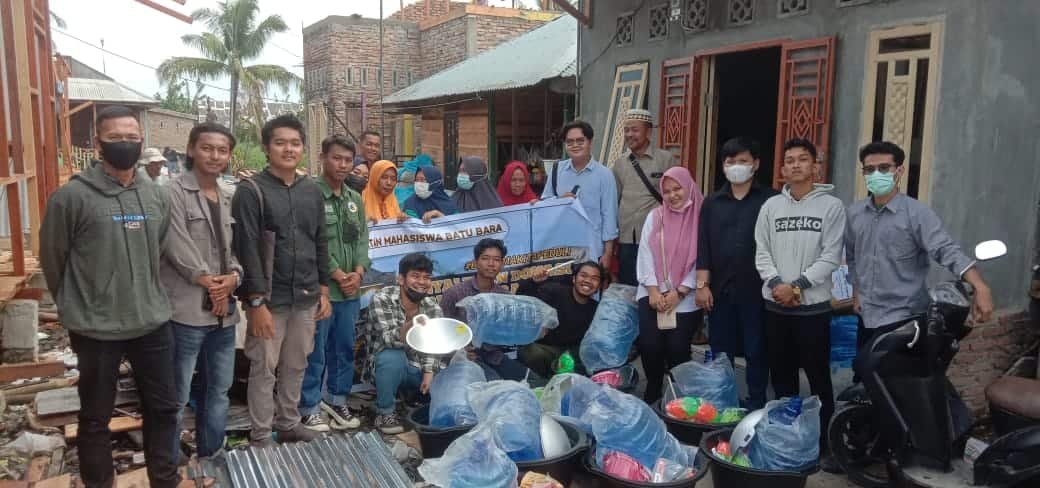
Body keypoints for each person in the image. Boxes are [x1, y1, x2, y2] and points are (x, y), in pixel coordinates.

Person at [40, 105, 182, 488]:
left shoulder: (155, 196)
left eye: (132, 137)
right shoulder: (71, 198)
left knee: (163, 409)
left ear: (142, 140)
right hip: (96, 327)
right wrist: (75, 305)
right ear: (98, 142)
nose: (125, 144)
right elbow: (53, 259)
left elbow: (157, 250)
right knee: (95, 417)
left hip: (150, 321)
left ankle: (164, 480)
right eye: (115, 137)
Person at [232, 114, 332, 447]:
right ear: (266, 147)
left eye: (295, 143)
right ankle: (261, 435)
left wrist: (323, 289)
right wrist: (255, 301)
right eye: (280, 143)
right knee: (264, 368)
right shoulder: (251, 191)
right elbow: (246, 248)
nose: (288, 149)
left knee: (296, 363)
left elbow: (320, 240)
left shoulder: (311, 191)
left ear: (303, 148)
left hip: (305, 296)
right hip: (268, 301)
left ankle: (289, 423)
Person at [846, 141, 994, 346]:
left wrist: (980, 286)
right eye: (870, 169)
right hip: (867, 315)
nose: (876, 174)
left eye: (884, 168)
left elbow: (945, 250)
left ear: (899, 171)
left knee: (898, 367)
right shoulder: (855, 214)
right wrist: (856, 293)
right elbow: (852, 257)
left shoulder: (917, 214)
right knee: (866, 365)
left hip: (905, 318)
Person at [754, 138, 845, 470]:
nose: (795, 165)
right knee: (782, 377)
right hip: (775, 307)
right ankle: (787, 441)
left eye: (802, 159)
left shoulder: (831, 207)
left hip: (812, 309)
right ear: (782, 169)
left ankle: (825, 445)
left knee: (818, 378)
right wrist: (778, 285)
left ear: (815, 166)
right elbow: (762, 252)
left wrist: (797, 286)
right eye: (789, 160)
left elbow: (831, 255)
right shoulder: (771, 207)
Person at [161, 123, 241, 464]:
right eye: (207, 148)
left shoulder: (229, 195)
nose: (214, 156)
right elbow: (176, 246)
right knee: (177, 394)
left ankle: (213, 452)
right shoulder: (172, 193)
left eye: (222, 150)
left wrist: (234, 277)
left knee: (219, 390)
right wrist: (210, 282)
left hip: (223, 316)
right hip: (186, 312)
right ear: (192, 149)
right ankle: (168, 462)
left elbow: (237, 248)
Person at [696, 137, 777, 409]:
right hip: (720, 289)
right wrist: (702, 286)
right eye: (731, 161)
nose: (737, 166)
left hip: (758, 289)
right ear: (723, 166)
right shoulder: (712, 202)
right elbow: (703, 245)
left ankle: (756, 402)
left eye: (743, 161)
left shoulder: (771, 200)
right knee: (721, 351)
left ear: (756, 164)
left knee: (756, 349)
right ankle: (723, 403)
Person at [299, 136, 370, 432]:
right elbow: (309, 241)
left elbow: (362, 239)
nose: (342, 165)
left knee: (344, 348)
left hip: (351, 291)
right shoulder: (309, 194)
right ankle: (309, 405)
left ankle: (336, 398)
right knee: (314, 350)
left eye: (348, 160)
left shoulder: (354, 199)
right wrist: (337, 274)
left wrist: (359, 272)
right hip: (322, 290)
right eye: (336, 158)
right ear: (322, 158)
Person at [635, 167, 704, 404]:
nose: (672, 195)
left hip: (686, 295)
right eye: (667, 191)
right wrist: (653, 290)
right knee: (650, 344)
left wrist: (681, 291)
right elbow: (645, 253)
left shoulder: (701, 218)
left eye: (678, 189)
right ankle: (654, 386)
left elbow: (703, 259)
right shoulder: (655, 216)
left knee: (677, 347)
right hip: (652, 290)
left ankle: (677, 394)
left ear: (689, 187)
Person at [439, 239, 543, 384]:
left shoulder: (504, 296)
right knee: (497, 387)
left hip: (495, 356)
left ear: (502, 264)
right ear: (476, 262)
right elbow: (441, 331)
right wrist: (456, 353)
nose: (491, 264)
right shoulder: (455, 293)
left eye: (496, 260)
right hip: (465, 359)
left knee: (534, 382)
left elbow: (511, 331)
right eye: (485, 258)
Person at [364, 253, 445, 434]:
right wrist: (412, 324)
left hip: (416, 367)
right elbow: (389, 339)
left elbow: (433, 345)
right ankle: (384, 412)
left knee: (449, 371)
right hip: (384, 367)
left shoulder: (432, 307)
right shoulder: (382, 298)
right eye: (415, 276)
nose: (422, 282)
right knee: (393, 357)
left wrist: (429, 372)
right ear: (401, 279)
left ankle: (415, 400)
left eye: (426, 277)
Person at [611, 109, 679, 286]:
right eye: (626, 130)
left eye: (635, 130)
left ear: (648, 132)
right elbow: (614, 200)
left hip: (657, 237)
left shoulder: (665, 159)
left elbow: (676, 198)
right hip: (627, 238)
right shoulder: (620, 163)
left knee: (656, 285)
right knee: (629, 287)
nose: (629, 135)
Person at [541, 121, 619, 268]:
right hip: (560, 249)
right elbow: (544, 205)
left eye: (580, 141)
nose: (575, 145)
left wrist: (608, 253)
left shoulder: (605, 175)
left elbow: (609, 217)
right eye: (569, 142)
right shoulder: (557, 170)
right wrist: (560, 200)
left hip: (592, 251)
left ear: (590, 142)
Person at [517, 261, 604, 377]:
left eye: (594, 278)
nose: (588, 281)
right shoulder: (553, 291)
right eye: (583, 275)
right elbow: (523, 302)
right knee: (531, 352)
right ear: (574, 279)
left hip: (572, 355)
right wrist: (532, 282)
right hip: (545, 349)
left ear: (599, 286)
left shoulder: (597, 310)